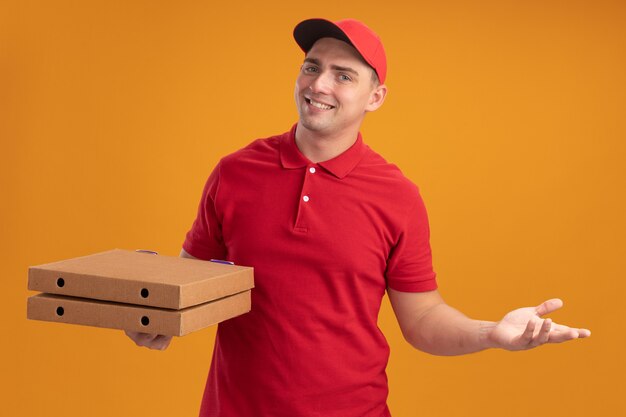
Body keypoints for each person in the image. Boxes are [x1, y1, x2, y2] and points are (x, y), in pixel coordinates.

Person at [126, 18, 591, 417]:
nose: (319, 85)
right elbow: (190, 281)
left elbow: (423, 318)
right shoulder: (235, 172)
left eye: (343, 75)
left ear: (375, 97)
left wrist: (492, 333)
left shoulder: (397, 196)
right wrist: (154, 317)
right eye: (312, 67)